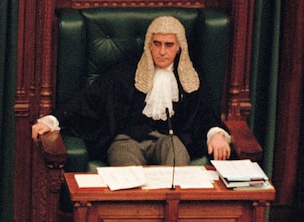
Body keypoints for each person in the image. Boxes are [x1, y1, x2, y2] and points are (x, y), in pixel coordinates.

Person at [31, 16, 232, 166]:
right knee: (128, 174)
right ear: (149, 45)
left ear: (179, 47)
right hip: (127, 140)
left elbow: (205, 113)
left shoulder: (189, 78)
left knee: (177, 164)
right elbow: (88, 99)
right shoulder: (126, 71)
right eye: (157, 44)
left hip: (169, 140)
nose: (162, 51)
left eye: (169, 45)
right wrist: (51, 120)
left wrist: (215, 134)